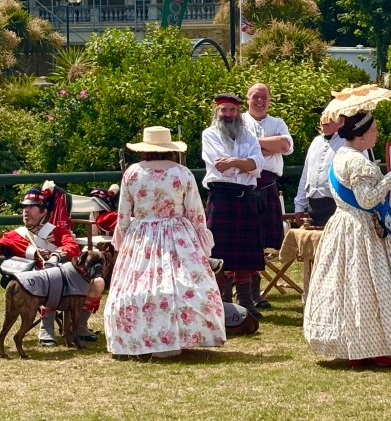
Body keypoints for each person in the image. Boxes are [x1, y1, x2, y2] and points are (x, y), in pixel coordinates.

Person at [105, 126, 257, 360]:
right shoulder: (182, 173)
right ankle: (175, 338)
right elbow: (196, 212)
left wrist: (123, 242)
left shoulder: (132, 173)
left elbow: (123, 214)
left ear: (144, 150)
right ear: (170, 150)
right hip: (176, 233)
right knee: (181, 284)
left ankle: (140, 338)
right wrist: (202, 244)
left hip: (141, 234)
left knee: (138, 287)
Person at [303, 111, 391, 365]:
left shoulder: (340, 155)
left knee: (350, 285)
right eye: (374, 129)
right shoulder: (358, 162)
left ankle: (359, 346)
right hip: (362, 228)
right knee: (370, 285)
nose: (377, 133)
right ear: (361, 135)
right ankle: (378, 346)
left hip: (343, 224)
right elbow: (367, 200)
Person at [0, 184, 102, 346]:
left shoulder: (57, 232)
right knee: (48, 279)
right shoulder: (13, 236)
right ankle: (46, 327)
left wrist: (54, 255)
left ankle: (79, 326)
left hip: (62, 280)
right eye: (25, 207)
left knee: (98, 283)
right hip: (32, 283)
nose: (26, 211)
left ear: (44, 212)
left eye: (32, 207)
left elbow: (72, 248)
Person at [200, 93, 265, 314]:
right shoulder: (209, 134)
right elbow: (219, 165)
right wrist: (245, 164)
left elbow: (258, 165)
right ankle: (223, 303)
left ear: (238, 113)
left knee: (246, 254)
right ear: (217, 112)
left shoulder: (248, 135)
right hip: (221, 196)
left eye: (232, 110)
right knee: (219, 251)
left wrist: (236, 163)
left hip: (245, 195)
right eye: (224, 110)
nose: (228, 114)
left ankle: (246, 303)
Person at [244, 82, 294, 310]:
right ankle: (250, 292)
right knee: (248, 239)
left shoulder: (278, 123)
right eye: (256, 96)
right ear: (247, 98)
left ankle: (258, 292)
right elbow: (238, 149)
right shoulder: (239, 121)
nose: (260, 101)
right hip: (245, 183)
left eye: (264, 97)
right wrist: (267, 147)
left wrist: (253, 146)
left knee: (264, 241)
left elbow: (284, 144)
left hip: (269, 183)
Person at [294, 116, 344, 227]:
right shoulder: (316, 141)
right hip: (314, 206)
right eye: (323, 117)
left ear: (340, 121)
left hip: (337, 205)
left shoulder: (347, 142)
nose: (325, 120)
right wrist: (299, 206)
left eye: (330, 117)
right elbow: (305, 175)